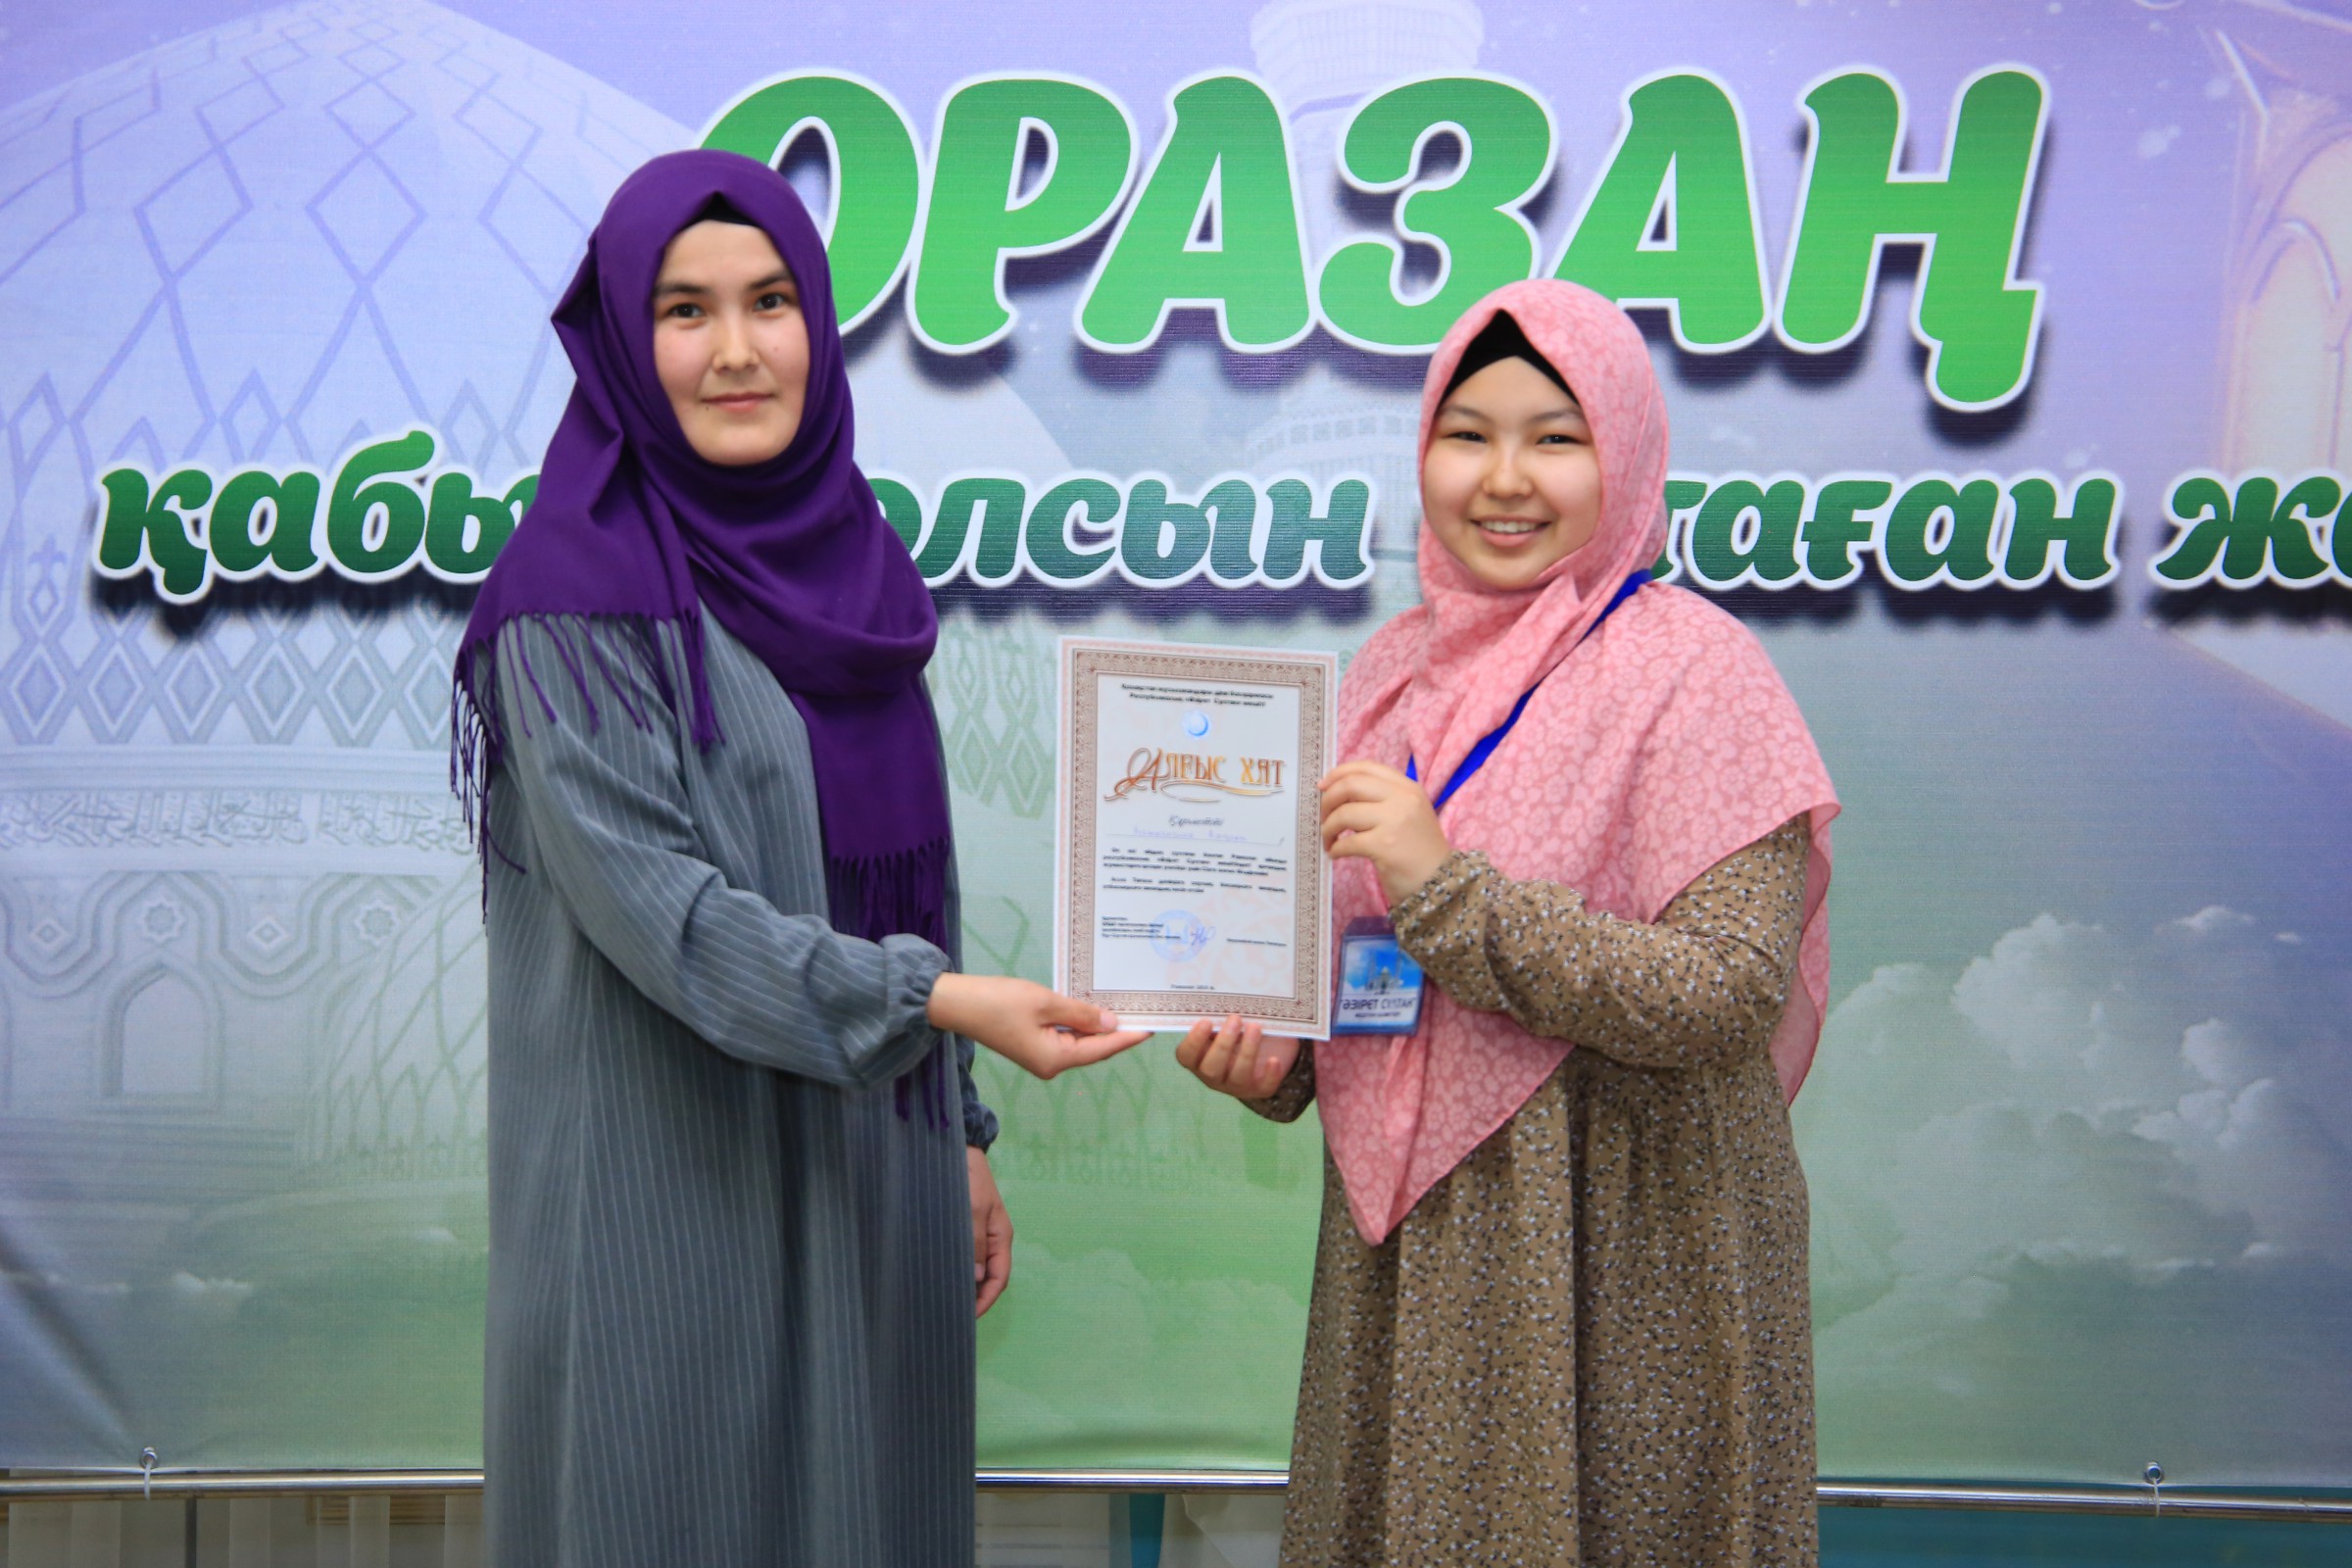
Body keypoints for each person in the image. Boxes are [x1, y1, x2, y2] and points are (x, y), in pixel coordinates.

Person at [450, 150, 1146, 1568]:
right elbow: (672, 922)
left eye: (770, 302)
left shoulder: (860, 579)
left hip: (870, 1165)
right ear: (623, 342)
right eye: (684, 310)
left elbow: (910, 876)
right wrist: (941, 1005)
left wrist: (957, 1138)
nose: (736, 350)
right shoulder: (568, 603)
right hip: (667, 1191)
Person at [1179, 279, 1839, 1566]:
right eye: (1467, 433)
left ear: (1624, 452)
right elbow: (1371, 963)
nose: (1504, 478)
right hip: (1418, 1262)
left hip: (1629, 1250)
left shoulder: (1699, 669)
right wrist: (1281, 1061)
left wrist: (1450, 890)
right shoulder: (1392, 673)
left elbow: (1726, 993)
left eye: (1555, 437)